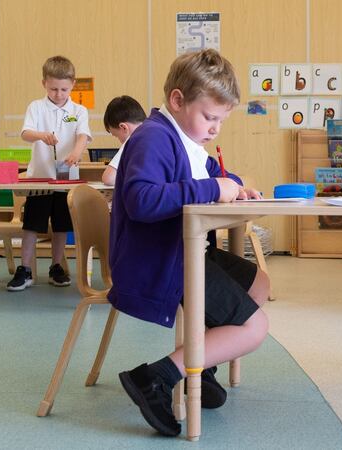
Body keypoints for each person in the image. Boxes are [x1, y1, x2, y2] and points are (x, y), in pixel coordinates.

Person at [110, 49, 270, 436]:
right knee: (254, 328)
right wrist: (213, 188)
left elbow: (212, 173)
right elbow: (141, 199)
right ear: (178, 100)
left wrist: (236, 188)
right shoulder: (154, 138)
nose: (215, 129)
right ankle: (157, 376)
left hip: (183, 251)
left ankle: (200, 365)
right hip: (157, 261)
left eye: (221, 120)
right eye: (209, 117)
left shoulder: (186, 140)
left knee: (259, 283)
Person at [8, 55, 91, 291]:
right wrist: (41, 135)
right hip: (39, 178)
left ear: (72, 84)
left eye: (64, 89)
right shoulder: (36, 107)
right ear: (44, 83)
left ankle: (56, 266)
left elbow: (83, 135)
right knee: (32, 224)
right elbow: (26, 133)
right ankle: (25, 269)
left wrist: (76, 153)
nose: (59, 94)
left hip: (65, 180)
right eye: (53, 89)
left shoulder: (79, 110)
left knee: (61, 225)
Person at [101, 95, 147, 186]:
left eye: (117, 136)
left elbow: (108, 178)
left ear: (124, 127)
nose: (120, 142)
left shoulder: (135, 138)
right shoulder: (156, 131)